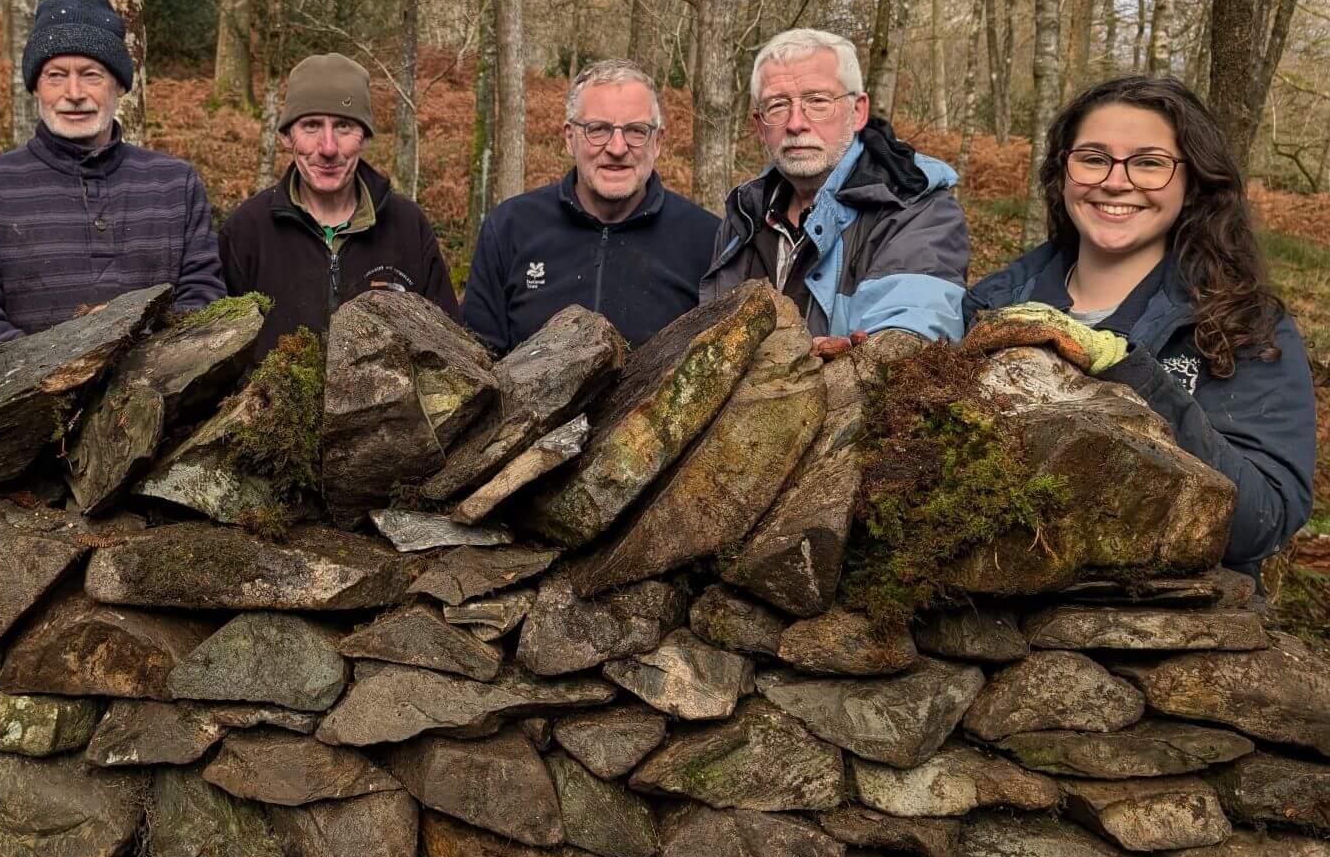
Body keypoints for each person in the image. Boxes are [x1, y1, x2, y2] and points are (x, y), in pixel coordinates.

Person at [961, 76, 1315, 574]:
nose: (1115, 180)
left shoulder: (1245, 327)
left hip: (1168, 631)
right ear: (1062, 172)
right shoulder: (988, 305)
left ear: (1192, 184)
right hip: (992, 616)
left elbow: (1263, 521)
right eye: (1093, 157)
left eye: (1149, 163)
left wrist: (1124, 372)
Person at [0, 0, 225, 344]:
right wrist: (50, 379)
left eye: (91, 74)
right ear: (35, 87)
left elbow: (203, 294)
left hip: (155, 391)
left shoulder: (175, 184)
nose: (73, 93)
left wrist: (140, 374)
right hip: (24, 396)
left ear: (119, 84)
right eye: (56, 75)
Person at [703, 29, 968, 355]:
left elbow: (911, 338)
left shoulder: (917, 210)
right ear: (759, 125)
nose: (796, 123)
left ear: (857, 111)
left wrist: (845, 365)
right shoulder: (742, 219)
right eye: (777, 106)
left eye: (817, 101)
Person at [462, 59, 718, 355]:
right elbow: (477, 363)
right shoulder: (510, 228)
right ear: (570, 138)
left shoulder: (706, 240)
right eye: (598, 129)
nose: (617, 148)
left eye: (636, 131)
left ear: (657, 142)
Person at [219, 53, 456, 362]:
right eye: (311, 126)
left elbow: (451, 352)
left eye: (344, 126)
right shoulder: (246, 232)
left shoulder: (408, 228)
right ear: (287, 136)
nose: (328, 148)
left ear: (365, 137)